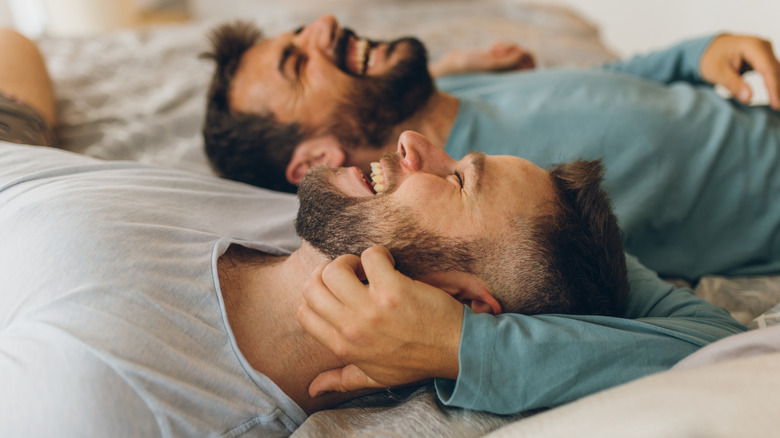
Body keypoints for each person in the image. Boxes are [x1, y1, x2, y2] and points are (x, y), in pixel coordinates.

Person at [0, 28, 746, 435]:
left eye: (457, 179)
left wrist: (466, 348)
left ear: (464, 297)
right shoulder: (306, 208)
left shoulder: (100, 399)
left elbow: (724, 361)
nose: (412, 144)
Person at [201, 15, 780, 281]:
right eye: (298, 63)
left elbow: (602, 87)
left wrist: (698, 54)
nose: (325, 24)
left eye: (301, 32)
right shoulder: (500, 209)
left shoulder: (441, 95)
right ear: (318, 161)